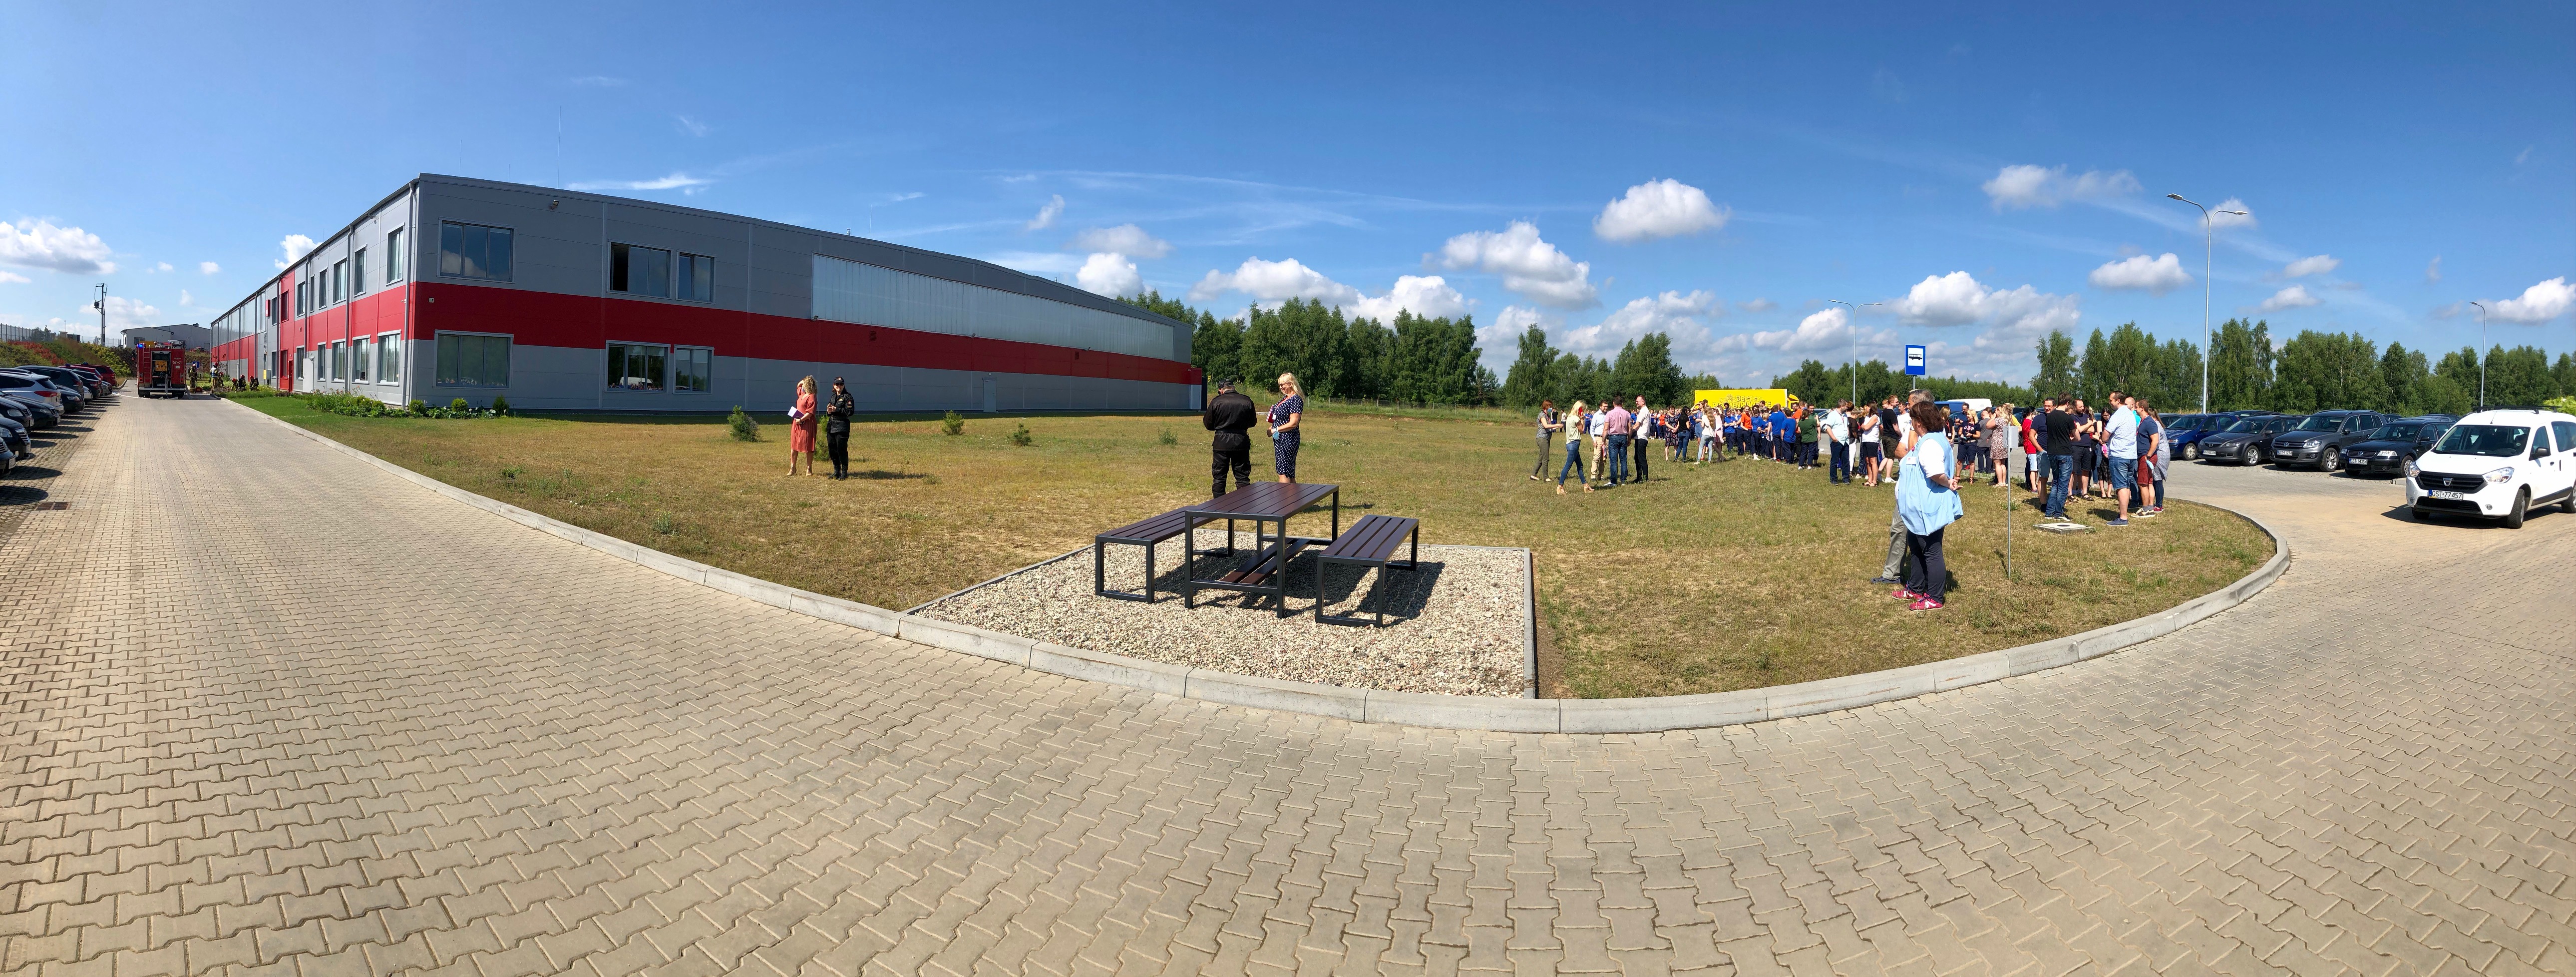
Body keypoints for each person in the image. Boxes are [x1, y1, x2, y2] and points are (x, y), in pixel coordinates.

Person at [1894, 401, 1963, 611]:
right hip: (1919, 508)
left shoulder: (1931, 443)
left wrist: (1948, 482)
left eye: (1913, 420)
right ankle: (1916, 588)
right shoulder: (1929, 440)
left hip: (1928, 506)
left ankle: (1935, 597)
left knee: (1931, 550)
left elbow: (1935, 473)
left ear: (1919, 422)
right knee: (1916, 547)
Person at [1871, 390, 1934, 583]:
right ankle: (1892, 575)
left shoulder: (1931, 429)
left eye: (1910, 403)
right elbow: (1900, 451)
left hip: (1919, 492)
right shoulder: (1911, 427)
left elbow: (1916, 456)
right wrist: (1911, 456)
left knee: (1919, 537)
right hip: (1905, 490)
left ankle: (1919, 580)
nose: (1906, 407)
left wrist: (1911, 454)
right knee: (1898, 531)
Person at [1203, 378, 1256, 497]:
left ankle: (1219, 502)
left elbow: (1208, 423)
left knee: (1219, 476)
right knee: (1243, 476)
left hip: (1221, 442)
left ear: (1221, 390)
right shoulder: (1247, 400)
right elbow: (1253, 422)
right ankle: (1244, 502)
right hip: (1241, 440)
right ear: (1233, 388)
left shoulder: (1216, 402)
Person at [2101, 392, 2140, 525]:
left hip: (2119, 455)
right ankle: (2124, 513)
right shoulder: (2131, 414)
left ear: (2118, 401)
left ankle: (2123, 518)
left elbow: (2105, 436)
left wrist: (2104, 438)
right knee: (2127, 485)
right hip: (2131, 455)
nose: (2110, 403)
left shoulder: (2117, 415)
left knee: (2121, 486)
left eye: (2111, 400)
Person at [2040, 397, 2076, 519]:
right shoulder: (2068, 418)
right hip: (2064, 452)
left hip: (2052, 452)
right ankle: (2058, 513)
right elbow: (2077, 436)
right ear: (2068, 403)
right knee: (2063, 485)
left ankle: (2049, 512)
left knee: (2056, 482)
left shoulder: (2049, 417)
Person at [1268, 373, 1305, 483]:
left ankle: (1284, 494)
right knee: (1288, 472)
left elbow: (1294, 423)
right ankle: (1293, 494)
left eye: (1283, 385)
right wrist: (1273, 426)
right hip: (1281, 439)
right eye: (1279, 385)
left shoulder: (1296, 399)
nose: (1281, 387)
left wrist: (1275, 429)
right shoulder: (1285, 398)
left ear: (1290, 384)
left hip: (1288, 439)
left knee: (1284, 472)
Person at [823, 377, 856, 480]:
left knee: (841, 449)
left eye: (841, 384)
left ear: (844, 386)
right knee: (832, 449)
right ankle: (836, 471)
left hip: (842, 426)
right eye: (837, 384)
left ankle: (844, 472)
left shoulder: (847, 397)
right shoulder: (833, 397)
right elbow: (830, 411)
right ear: (834, 385)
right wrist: (829, 411)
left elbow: (850, 412)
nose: (839, 386)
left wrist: (836, 409)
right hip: (832, 426)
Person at [786, 376, 819, 476]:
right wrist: (801, 382)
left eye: (805, 383)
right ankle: (793, 468)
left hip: (807, 424)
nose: (802, 385)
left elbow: (810, 412)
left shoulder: (812, 397)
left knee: (809, 446)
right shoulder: (803, 394)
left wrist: (801, 420)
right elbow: (798, 386)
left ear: (808, 384)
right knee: (794, 445)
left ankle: (809, 469)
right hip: (797, 423)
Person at [1558, 401, 1592, 494]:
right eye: (1583, 410)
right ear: (1580, 409)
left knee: (1580, 465)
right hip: (1574, 444)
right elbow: (1582, 431)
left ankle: (1586, 485)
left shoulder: (1569, 417)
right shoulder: (1576, 418)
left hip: (1569, 444)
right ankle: (1560, 486)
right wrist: (1582, 419)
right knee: (1568, 465)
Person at [1603, 398, 1633, 487]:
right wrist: (1629, 439)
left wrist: (1603, 441)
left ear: (1614, 403)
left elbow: (1606, 429)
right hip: (1624, 437)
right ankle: (1624, 481)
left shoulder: (1610, 413)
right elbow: (1630, 428)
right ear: (1622, 403)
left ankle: (1614, 481)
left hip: (1613, 437)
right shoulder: (1627, 414)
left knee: (1614, 461)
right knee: (1624, 460)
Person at [1530, 400, 1563, 481]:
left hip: (1547, 438)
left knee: (1541, 457)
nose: (1551, 408)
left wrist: (1558, 426)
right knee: (1546, 458)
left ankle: (1533, 475)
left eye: (1551, 407)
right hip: (1542, 439)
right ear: (1546, 406)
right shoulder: (1542, 415)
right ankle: (1546, 477)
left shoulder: (1547, 415)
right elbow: (1546, 426)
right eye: (1550, 407)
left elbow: (1550, 428)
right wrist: (1557, 424)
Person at [1824, 401, 1852, 484]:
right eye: (1846, 406)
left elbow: (1847, 426)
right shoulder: (1832, 415)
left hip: (1845, 441)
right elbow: (1828, 428)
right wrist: (1834, 439)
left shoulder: (1845, 415)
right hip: (1837, 441)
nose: (1847, 408)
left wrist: (1848, 435)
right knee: (1835, 461)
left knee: (1846, 461)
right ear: (1842, 406)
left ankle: (1846, 478)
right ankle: (1834, 479)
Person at [1630, 396, 1653, 484]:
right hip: (1640, 438)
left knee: (1641, 458)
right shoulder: (1644, 411)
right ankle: (1639, 477)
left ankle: (1645, 478)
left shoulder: (1644, 411)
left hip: (1641, 438)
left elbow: (1637, 425)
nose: (1636, 403)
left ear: (1643, 402)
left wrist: (1630, 434)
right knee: (1637, 458)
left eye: (1638, 401)